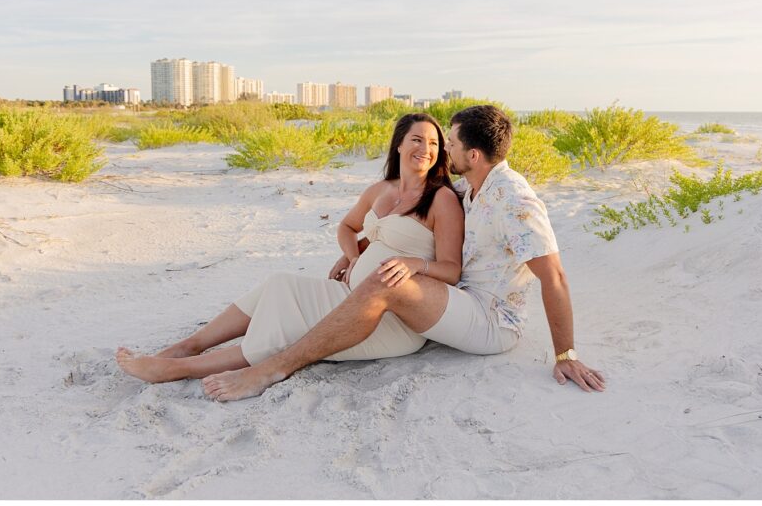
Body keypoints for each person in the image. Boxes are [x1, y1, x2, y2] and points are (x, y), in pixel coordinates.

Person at [202, 105, 605, 402]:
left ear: (474, 156)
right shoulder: (472, 187)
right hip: (459, 298)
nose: (445, 147)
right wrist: (357, 250)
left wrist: (566, 354)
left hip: (491, 319)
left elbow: (554, 277)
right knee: (357, 277)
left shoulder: (514, 200)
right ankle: (200, 349)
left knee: (384, 281)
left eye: (451, 142)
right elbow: (409, 216)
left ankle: (274, 368)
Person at [116, 113, 464, 383]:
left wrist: (414, 264)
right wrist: (353, 256)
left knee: (284, 310)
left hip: (385, 318)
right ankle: (188, 346)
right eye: (417, 140)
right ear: (399, 145)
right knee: (276, 285)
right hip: (349, 291)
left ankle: (183, 368)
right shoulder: (382, 189)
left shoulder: (442, 199)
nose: (426, 149)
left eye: (434, 144)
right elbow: (347, 227)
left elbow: (451, 269)